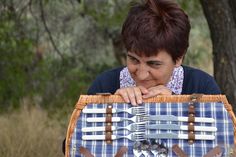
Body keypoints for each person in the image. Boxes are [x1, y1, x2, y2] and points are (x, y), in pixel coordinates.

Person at [63, 0, 220, 154]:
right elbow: (70, 147)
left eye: (154, 64)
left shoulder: (202, 86)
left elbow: (223, 147)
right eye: (134, 59)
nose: (142, 75)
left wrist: (179, 108)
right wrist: (111, 108)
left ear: (179, 58)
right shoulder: (105, 84)